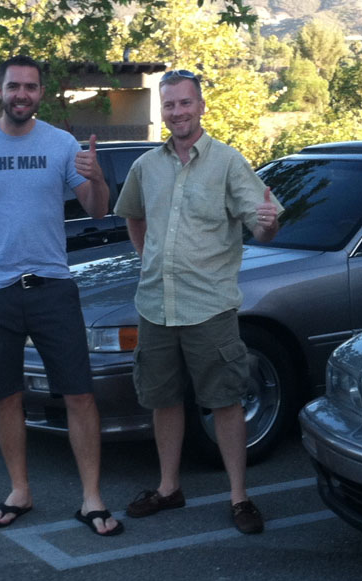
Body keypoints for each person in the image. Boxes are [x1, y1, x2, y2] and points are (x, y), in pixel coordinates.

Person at [0, 55, 122, 536]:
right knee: (6, 397)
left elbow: (98, 210)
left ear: (41, 93)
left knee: (80, 394)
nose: (21, 94)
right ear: (0, 91)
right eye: (14, 86)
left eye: (30, 86)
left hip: (52, 287)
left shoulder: (61, 144)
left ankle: (92, 498)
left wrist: (96, 176)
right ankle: (19, 491)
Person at [114, 69, 283, 535]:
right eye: (169, 105)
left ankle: (239, 497)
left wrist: (268, 223)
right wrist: (148, 260)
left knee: (225, 401)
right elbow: (133, 217)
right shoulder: (146, 166)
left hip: (210, 307)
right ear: (163, 110)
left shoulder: (228, 162)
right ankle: (169, 488)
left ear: (201, 106)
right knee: (163, 399)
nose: (178, 112)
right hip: (156, 306)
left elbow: (262, 225)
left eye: (185, 103)